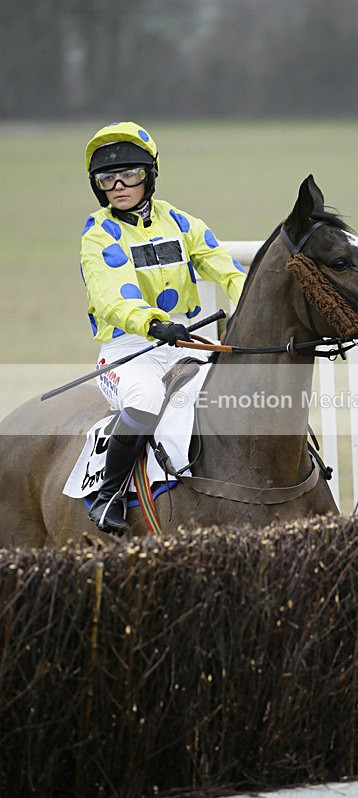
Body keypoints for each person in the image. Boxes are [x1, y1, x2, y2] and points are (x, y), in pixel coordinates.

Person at [81, 121, 246, 535]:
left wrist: (252, 303)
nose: (118, 186)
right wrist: (153, 324)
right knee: (146, 399)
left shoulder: (182, 222)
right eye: (107, 179)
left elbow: (227, 269)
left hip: (183, 341)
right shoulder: (98, 234)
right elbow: (111, 298)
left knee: (237, 394)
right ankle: (110, 493)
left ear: (149, 176)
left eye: (130, 175)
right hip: (127, 350)